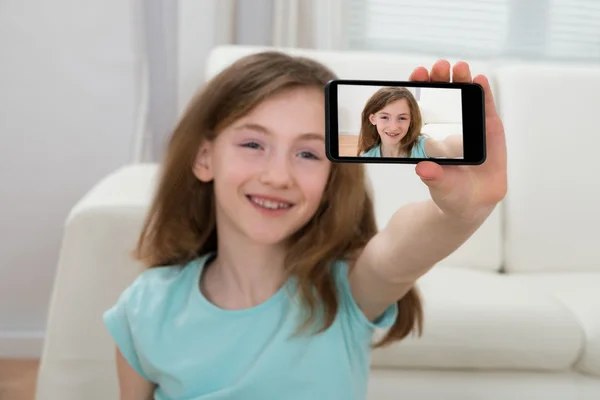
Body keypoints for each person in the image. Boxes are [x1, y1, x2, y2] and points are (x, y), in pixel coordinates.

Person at [103, 52, 507, 400]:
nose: (278, 176)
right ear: (204, 158)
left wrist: (459, 214)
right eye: (253, 144)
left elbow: (401, 247)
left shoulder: (348, 289)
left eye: (308, 154)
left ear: (331, 177)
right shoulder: (145, 309)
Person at [357, 87, 463, 158]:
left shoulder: (422, 147)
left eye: (402, 118)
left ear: (411, 120)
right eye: (385, 117)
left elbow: (447, 147)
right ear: (373, 119)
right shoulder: (366, 157)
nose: (394, 127)